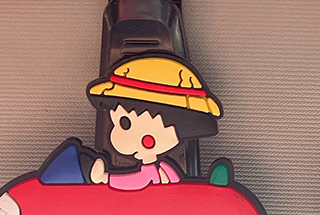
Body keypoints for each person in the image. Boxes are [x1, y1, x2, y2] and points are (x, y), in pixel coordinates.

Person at [86, 53, 221, 190]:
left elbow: (137, 182)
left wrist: (104, 178)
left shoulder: (156, 169)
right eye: (123, 123)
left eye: (125, 124)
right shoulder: (164, 167)